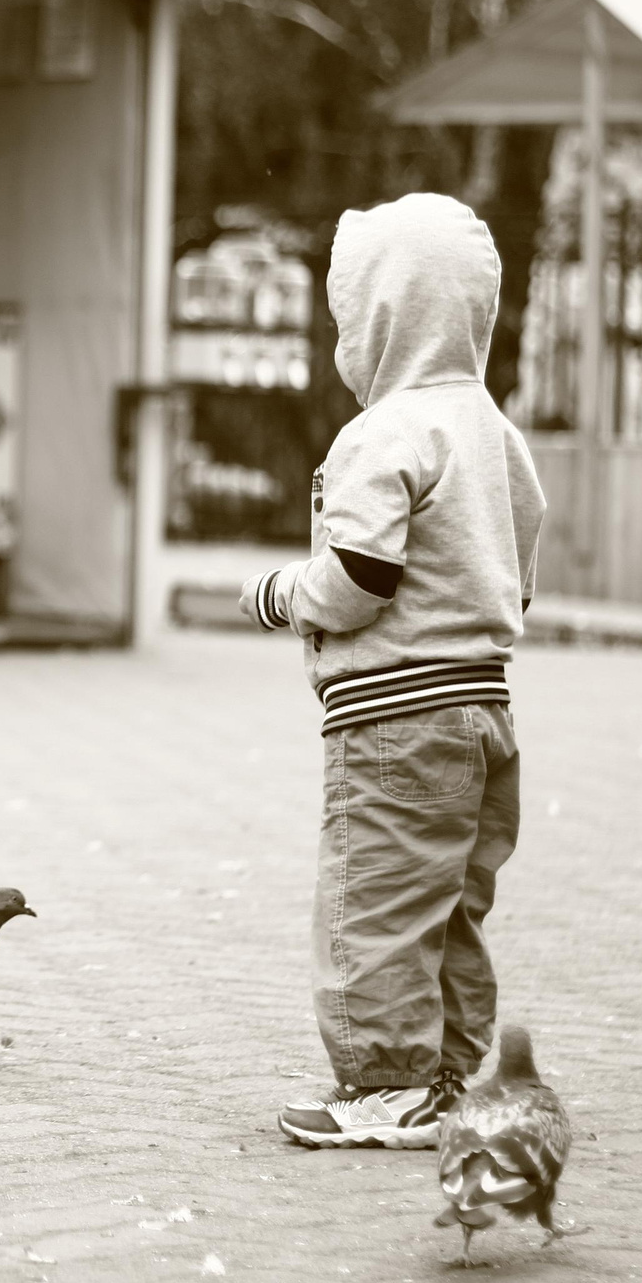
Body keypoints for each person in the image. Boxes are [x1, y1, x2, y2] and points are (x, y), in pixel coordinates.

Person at [239, 193, 546, 1150]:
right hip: (484, 711)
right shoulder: (495, 432)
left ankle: (385, 1084)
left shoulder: (385, 431)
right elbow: (518, 568)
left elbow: (361, 578)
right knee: (448, 906)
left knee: (373, 905)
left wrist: (283, 594)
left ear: (376, 318)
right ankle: (446, 1071)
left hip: (394, 722)